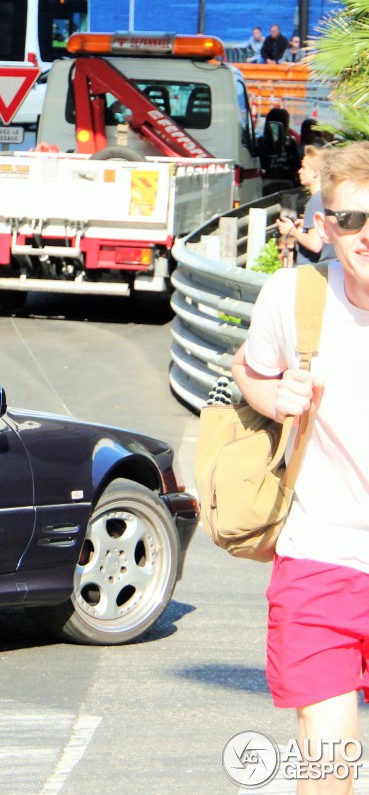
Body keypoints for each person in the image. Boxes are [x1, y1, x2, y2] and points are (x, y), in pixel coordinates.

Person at [232, 141, 369, 795]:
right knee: (329, 763)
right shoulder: (294, 297)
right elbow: (248, 373)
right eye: (351, 219)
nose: (365, 235)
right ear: (326, 225)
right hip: (321, 560)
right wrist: (274, 395)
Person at [278, 145, 337, 263]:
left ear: (315, 172)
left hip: (313, 274)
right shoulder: (330, 197)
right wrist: (306, 226)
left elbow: (315, 245)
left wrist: (291, 230)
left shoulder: (316, 200)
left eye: (304, 167)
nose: (299, 171)